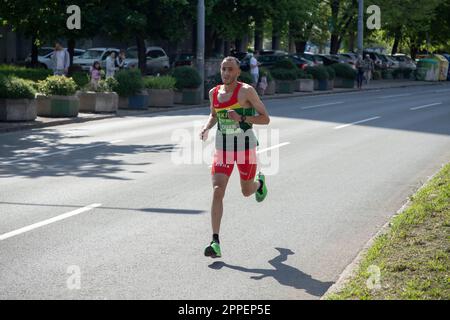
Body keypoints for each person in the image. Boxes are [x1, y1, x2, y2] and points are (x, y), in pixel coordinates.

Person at [199, 56, 270, 258]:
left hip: (245, 148)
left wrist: (242, 118)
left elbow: (265, 118)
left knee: (246, 191)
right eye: (223, 69)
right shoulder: (214, 93)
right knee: (217, 190)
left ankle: (259, 185)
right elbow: (214, 115)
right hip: (223, 149)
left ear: (238, 72)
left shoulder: (246, 91)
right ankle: (215, 241)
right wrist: (205, 128)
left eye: (230, 69)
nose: (226, 73)